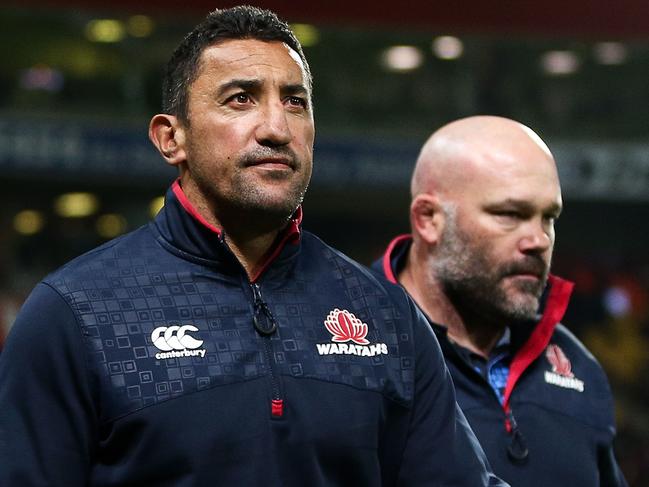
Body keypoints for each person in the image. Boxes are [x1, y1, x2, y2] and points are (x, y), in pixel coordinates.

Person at [0, 7, 507, 486]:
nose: (276, 128)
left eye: (295, 101)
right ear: (170, 138)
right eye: (240, 98)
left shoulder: (386, 314)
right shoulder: (76, 313)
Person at [373, 115, 629, 487]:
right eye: (511, 214)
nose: (539, 240)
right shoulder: (345, 347)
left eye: (549, 218)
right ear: (428, 219)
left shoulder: (577, 369)